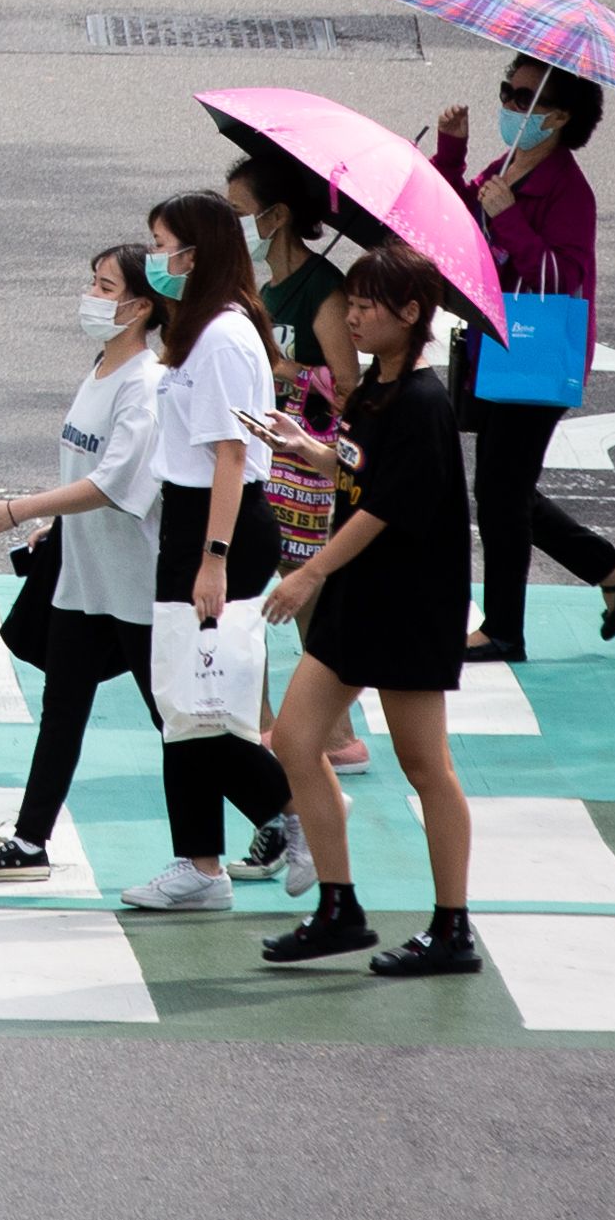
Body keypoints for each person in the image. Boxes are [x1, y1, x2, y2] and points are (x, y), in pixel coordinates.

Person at [253, 242, 482, 976]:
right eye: (348, 301)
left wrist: (308, 575)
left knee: (425, 765)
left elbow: (385, 506)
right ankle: (339, 906)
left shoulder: (421, 400)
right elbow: (361, 466)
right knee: (295, 739)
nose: (350, 315)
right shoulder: (378, 389)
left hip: (408, 603)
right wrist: (309, 447)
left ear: (411, 314)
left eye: (366, 304)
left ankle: (451, 928)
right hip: (362, 596)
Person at [0, 245, 164, 882]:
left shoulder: (144, 385)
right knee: (62, 711)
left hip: (133, 585)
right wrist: (54, 525)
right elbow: (88, 471)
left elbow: (117, 484)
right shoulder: (102, 370)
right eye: (91, 283)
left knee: (171, 717)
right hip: (82, 579)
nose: (92, 297)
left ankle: (286, 811)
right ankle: (30, 841)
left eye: (105, 286)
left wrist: (18, 509)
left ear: (141, 306)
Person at [117, 191, 301, 913]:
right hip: (191, 521)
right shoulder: (200, 329)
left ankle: (296, 812)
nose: (154, 257)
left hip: (215, 526)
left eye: (161, 243)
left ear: (196, 253)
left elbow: (231, 455)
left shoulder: (224, 337)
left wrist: (214, 556)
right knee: (182, 703)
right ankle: (198, 863)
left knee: (196, 703)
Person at [438, 59, 615, 661]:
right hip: (499, 349)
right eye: (506, 89)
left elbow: (566, 279)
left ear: (558, 117)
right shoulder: (506, 166)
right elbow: (455, 223)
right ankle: (613, 570)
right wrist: (453, 155)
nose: (509, 102)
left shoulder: (568, 189)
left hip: (538, 358)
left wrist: (509, 219)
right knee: (506, 488)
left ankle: (505, 629)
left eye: (524, 96)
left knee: (502, 491)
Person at [224, 147, 368, 815]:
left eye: (238, 212)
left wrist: (283, 370)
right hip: (262, 449)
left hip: (305, 457)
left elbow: (346, 384)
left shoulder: (321, 287)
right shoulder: (260, 287)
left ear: (276, 216)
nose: (233, 224)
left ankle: (330, 727)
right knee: (268, 580)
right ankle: (291, 723)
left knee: (295, 582)